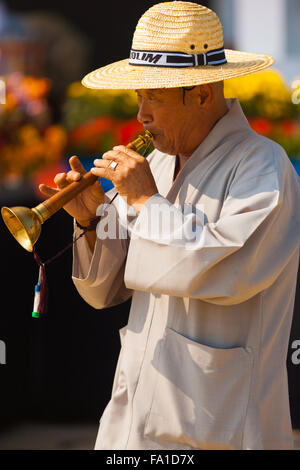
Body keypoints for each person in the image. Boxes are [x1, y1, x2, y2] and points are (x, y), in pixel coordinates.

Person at [40, 2, 300, 450]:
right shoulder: (156, 163)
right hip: (133, 418)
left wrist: (145, 200)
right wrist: (91, 217)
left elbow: (225, 271)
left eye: (154, 98)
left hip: (222, 425)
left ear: (201, 93)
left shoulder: (263, 164)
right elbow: (106, 290)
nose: (141, 116)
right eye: (139, 98)